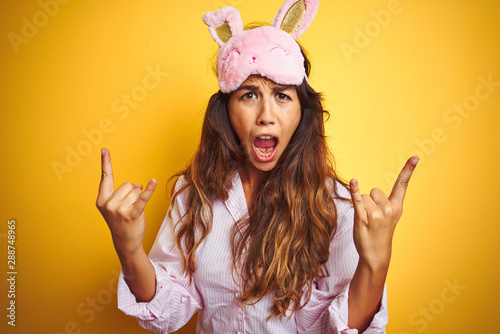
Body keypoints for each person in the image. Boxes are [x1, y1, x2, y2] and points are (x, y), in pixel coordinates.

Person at [96, 0, 418, 333]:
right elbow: (167, 314)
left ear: (302, 113)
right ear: (227, 111)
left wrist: (375, 263)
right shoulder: (194, 197)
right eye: (249, 95)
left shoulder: (336, 207)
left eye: (282, 95)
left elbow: (339, 327)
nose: (266, 114)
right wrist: (129, 247)